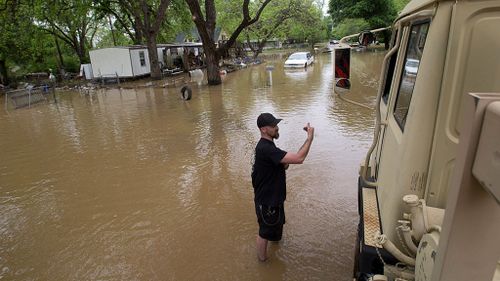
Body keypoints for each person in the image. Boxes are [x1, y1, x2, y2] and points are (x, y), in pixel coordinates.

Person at [251, 112, 314, 261]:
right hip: (267, 201)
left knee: (274, 226)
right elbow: (299, 159)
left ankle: (275, 244)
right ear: (264, 130)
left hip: (274, 198)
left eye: (276, 124)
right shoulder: (265, 148)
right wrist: (309, 138)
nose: (277, 128)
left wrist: (282, 164)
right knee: (264, 232)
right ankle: (262, 262)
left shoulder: (268, 146)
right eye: (273, 126)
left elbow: (281, 165)